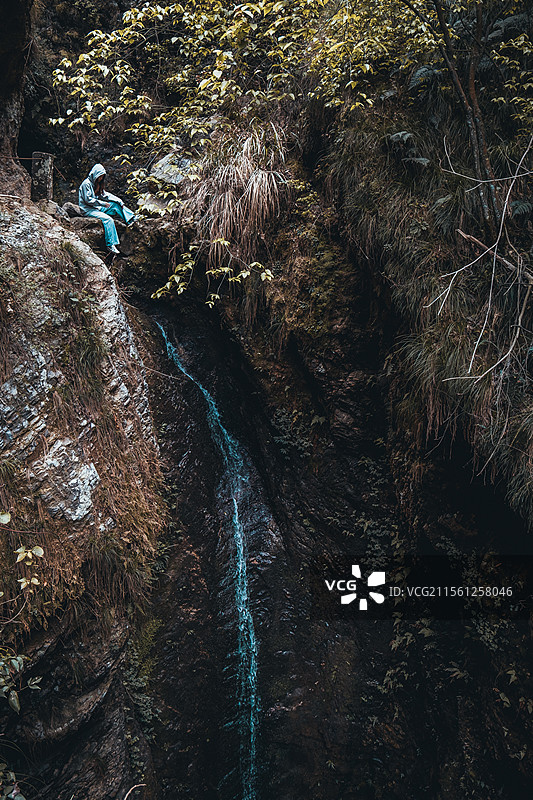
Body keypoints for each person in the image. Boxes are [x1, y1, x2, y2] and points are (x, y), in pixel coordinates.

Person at [78, 164, 136, 255]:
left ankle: (131, 219)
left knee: (116, 206)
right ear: (94, 174)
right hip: (88, 210)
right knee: (108, 219)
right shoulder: (86, 184)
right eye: (99, 176)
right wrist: (102, 204)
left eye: (102, 177)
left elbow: (105, 195)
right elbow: (88, 200)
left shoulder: (96, 184)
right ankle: (111, 244)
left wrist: (119, 201)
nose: (100, 179)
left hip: (96, 208)